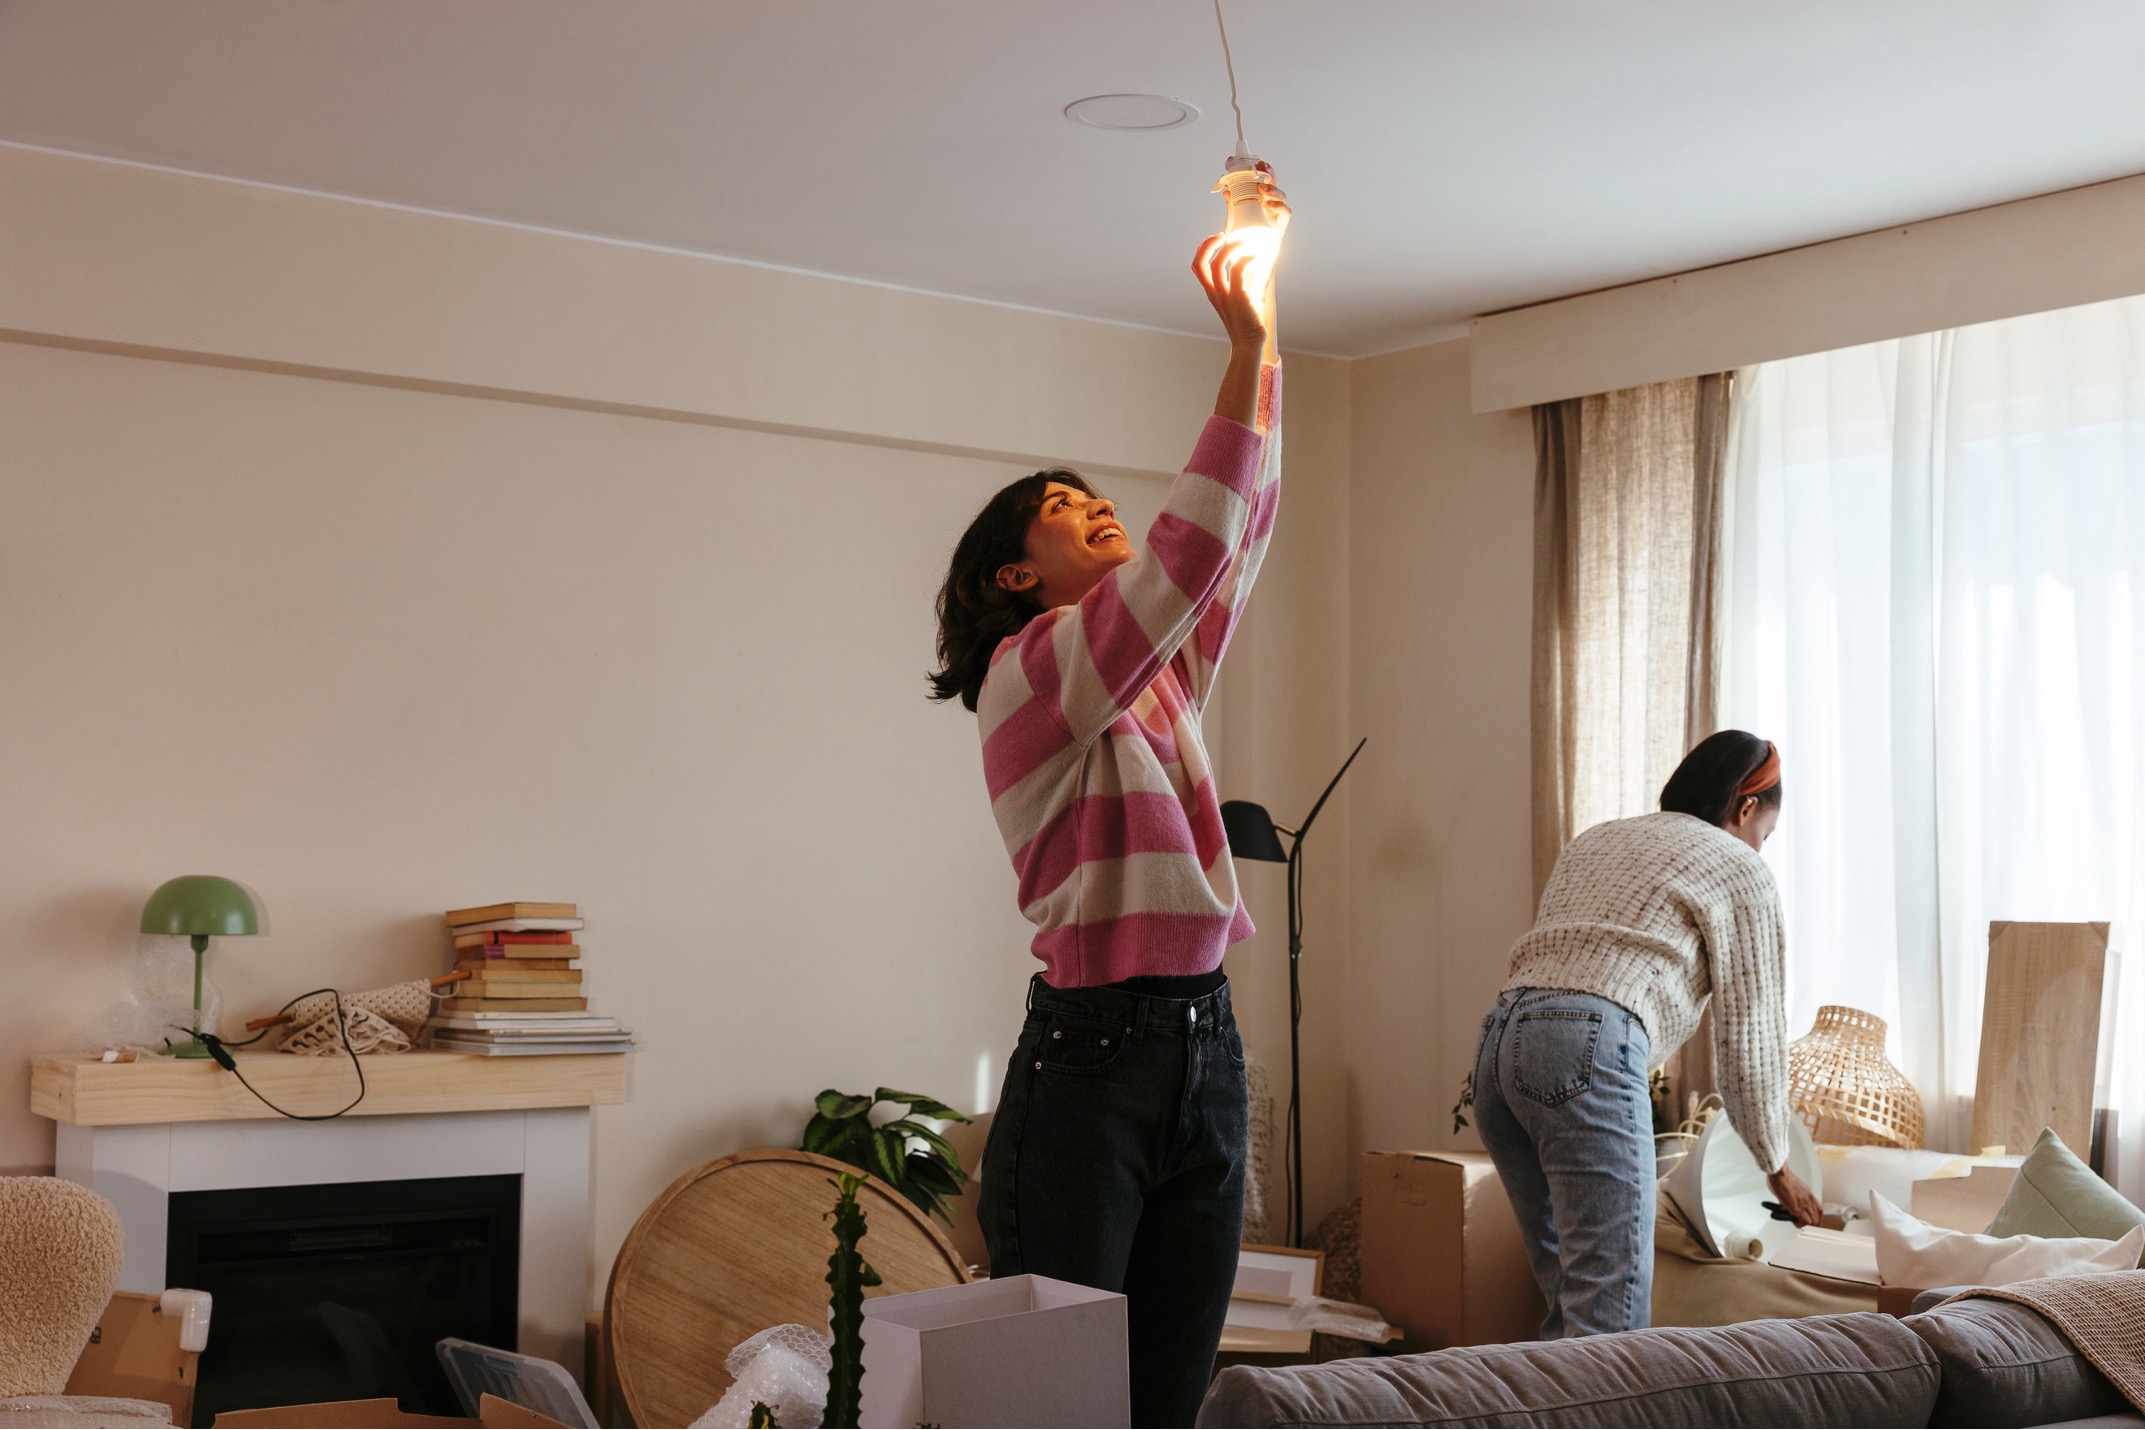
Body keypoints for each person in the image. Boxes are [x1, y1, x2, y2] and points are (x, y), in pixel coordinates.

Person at [927, 216, 1283, 1426]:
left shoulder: (1155, 676)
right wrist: (1240, 346)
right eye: (1063, 506)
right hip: (1092, 1064)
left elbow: (1237, 533)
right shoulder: (1028, 672)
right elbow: (1190, 547)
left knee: (1167, 1404)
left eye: (1094, 494)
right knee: (1060, 1410)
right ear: (1015, 575)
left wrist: (1268, 333)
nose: (1095, 506)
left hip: (1206, 1045)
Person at [1472, 729, 1825, 1339]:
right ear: (1746, 809)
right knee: (1609, 1320)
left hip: (1499, 1045)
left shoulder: (1598, 838)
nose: (1759, 848)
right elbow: (1751, 1037)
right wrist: (1776, 1166)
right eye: (1764, 835)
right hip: (1585, 1045)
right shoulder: (1738, 865)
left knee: (1568, 1303)